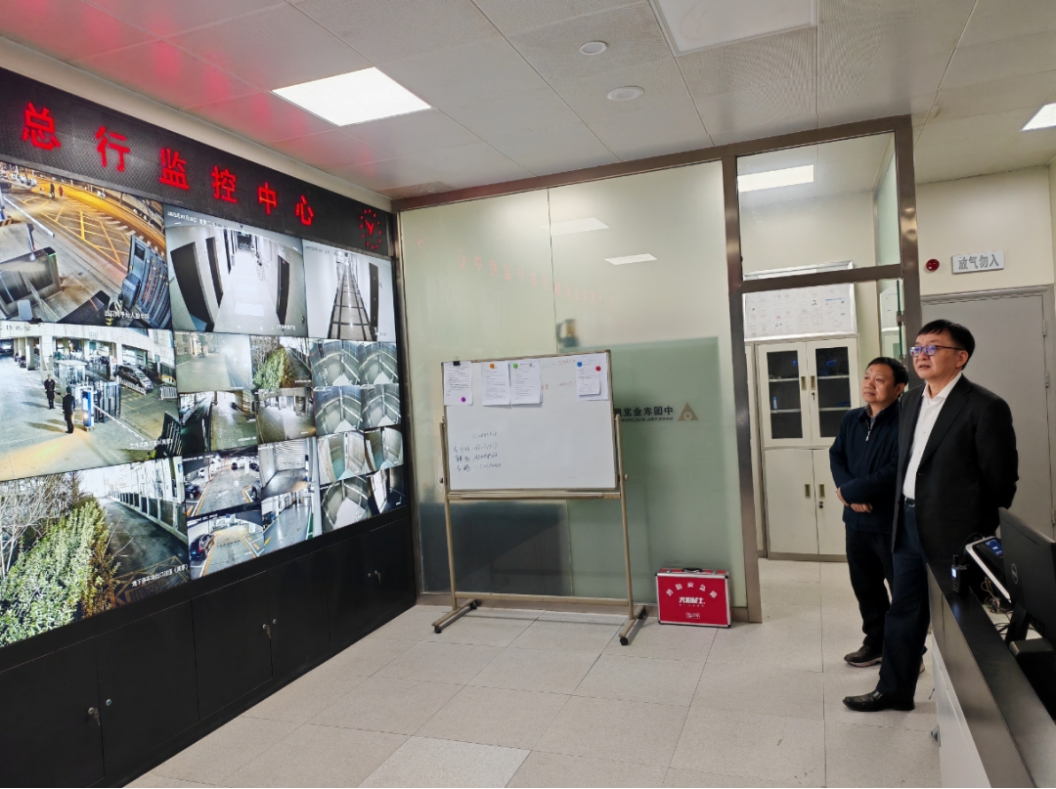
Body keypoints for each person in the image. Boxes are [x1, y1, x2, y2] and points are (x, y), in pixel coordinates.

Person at [844, 319, 1018, 712]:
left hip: (956, 532)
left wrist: (975, 532)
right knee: (904, 609)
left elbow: (1001, 481)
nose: (921, 355)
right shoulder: (910, 402)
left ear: (960, 357)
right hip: (906, 524)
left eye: (933, 348)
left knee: (963, 619)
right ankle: (894, 690)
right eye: (918, 348)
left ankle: (976, 706)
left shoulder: (984, 406)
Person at [830, 357, 908, 667]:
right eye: (867, 377)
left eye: (880, 379)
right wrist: (849, 494)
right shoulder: (852, 419)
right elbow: (837, 456)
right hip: (856, 521)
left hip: (891, 521)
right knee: (865, 587)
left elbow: (898, 467)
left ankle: (908, 652)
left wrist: (854, 492)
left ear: (899, 388)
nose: (869, 384)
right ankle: (875, 642)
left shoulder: (907, 421)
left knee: (901, 590)